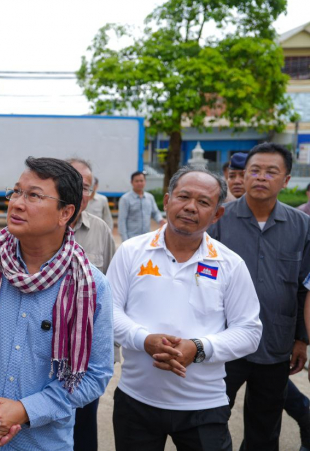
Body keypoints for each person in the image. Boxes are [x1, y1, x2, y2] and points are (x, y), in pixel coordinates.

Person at [0, 157, 113, 450]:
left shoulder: (92, 285)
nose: (16, 203)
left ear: (66, 213)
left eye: (34, 196)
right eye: (16, 192)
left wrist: (26, 410)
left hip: (42, 443)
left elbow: (95, 374)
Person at [108, 165, 263, 450]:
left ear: (217, 214)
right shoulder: (131, 251)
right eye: (183, 197)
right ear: (167, 201)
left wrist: (199, 348)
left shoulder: (229, 264)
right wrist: (144, 340)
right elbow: (108, 312)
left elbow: (249, 331)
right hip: (136, 401)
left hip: (204, 406)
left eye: (203, 202)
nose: (191, 207)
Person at [208, 142, 310, 450]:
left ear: (286, 180)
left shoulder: (302, 226)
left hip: (276, 342)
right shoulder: (218, 220)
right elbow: (201, 279)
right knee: (208, 419)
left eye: (271, 172)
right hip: (224, 341)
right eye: (254, 170)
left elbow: (303, 287)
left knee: (265, 429)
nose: (261, 177)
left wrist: (301, 339)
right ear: (242, 175)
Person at [68, 158, 117, 451]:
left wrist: (111, 350)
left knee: (84, 427)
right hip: (41, 350)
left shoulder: (100, 230)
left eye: (84, 187)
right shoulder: (33, 227)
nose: (78, 191)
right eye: (71, 182)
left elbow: (113, 291)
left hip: (85, 353)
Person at [118, 171, 165, 242]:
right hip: (131, 238)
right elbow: (122, 220)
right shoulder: (125, 199)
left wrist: (160, 220)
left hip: (146, 238)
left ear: (145, 181)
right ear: (131, 182)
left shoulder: (150, 197)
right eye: (137, 181)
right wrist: (125, 240)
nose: (139, 183)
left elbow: (155, 212)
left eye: (141, 181)